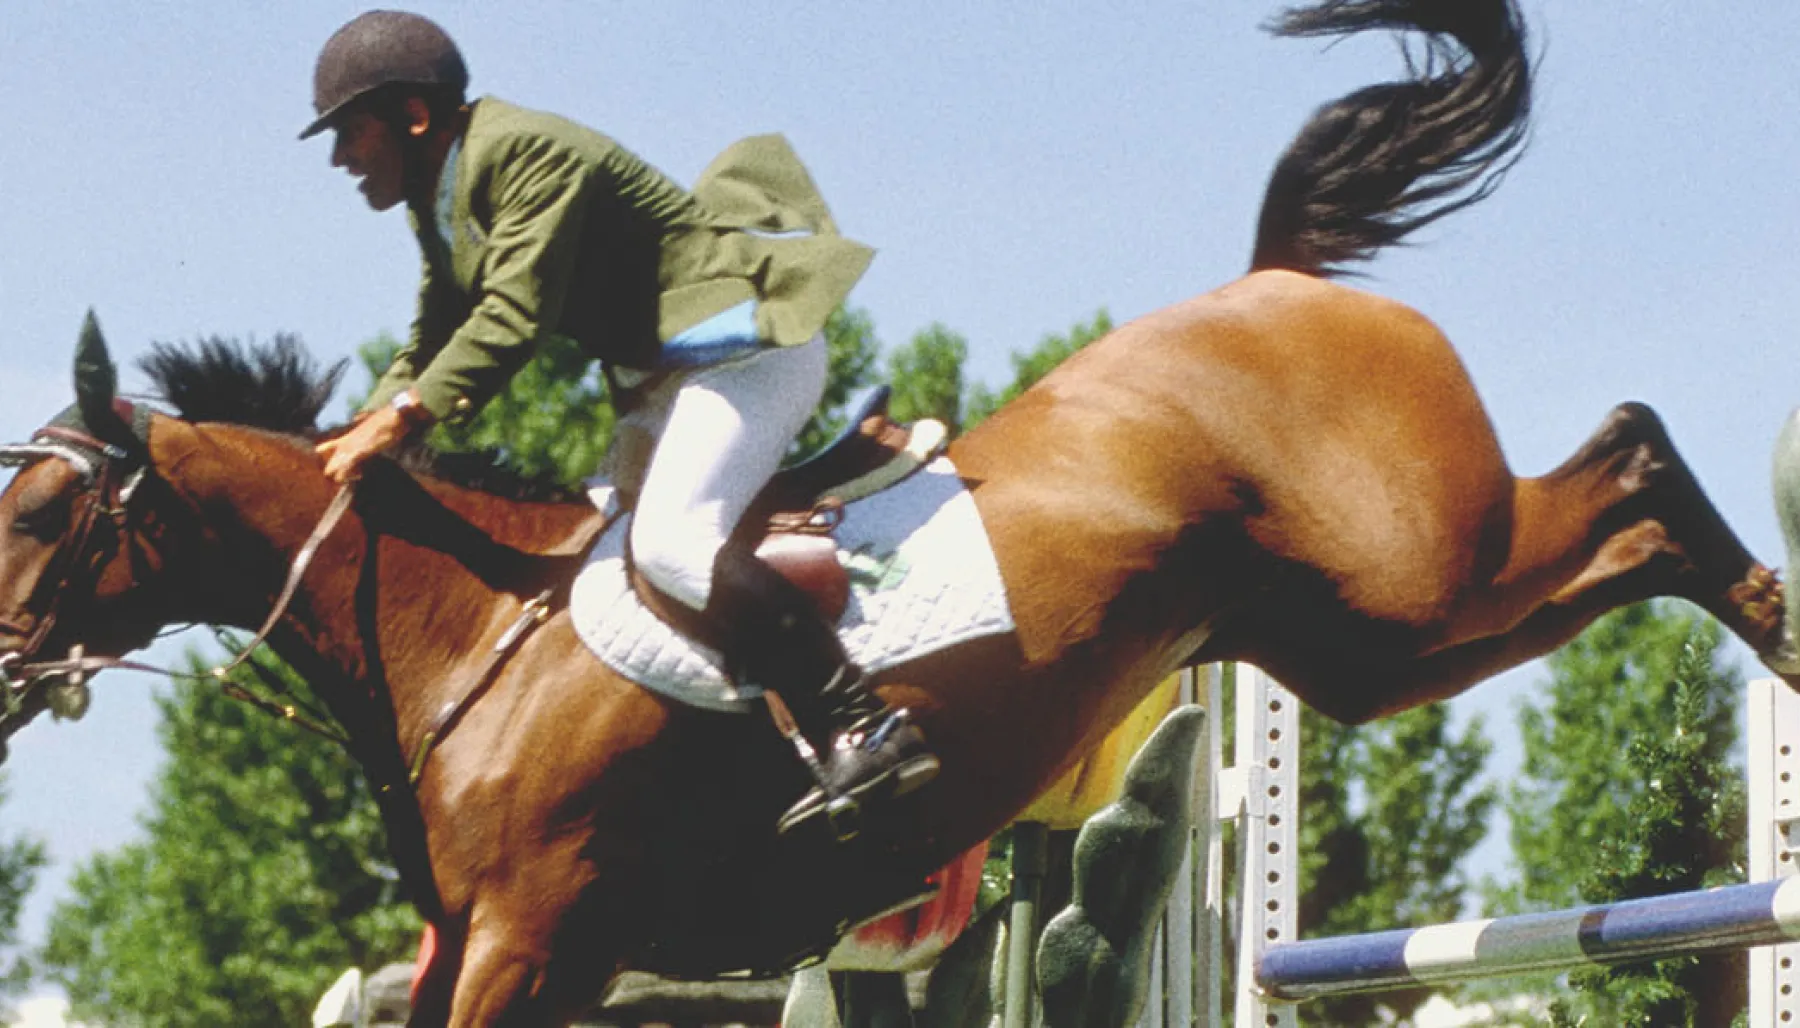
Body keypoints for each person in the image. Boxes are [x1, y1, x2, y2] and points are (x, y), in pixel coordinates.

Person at [304, 10, 935, 836]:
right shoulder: (442, 189)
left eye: (351, 132)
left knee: (671, 544)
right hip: (663, 383)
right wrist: (364, 423)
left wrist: (399, 421)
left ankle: (862, 722)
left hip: (744, 358)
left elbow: (508, 318)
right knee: (591, 554)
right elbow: (434, 333)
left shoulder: (525, 152)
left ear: (412, 117)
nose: (341, 158)